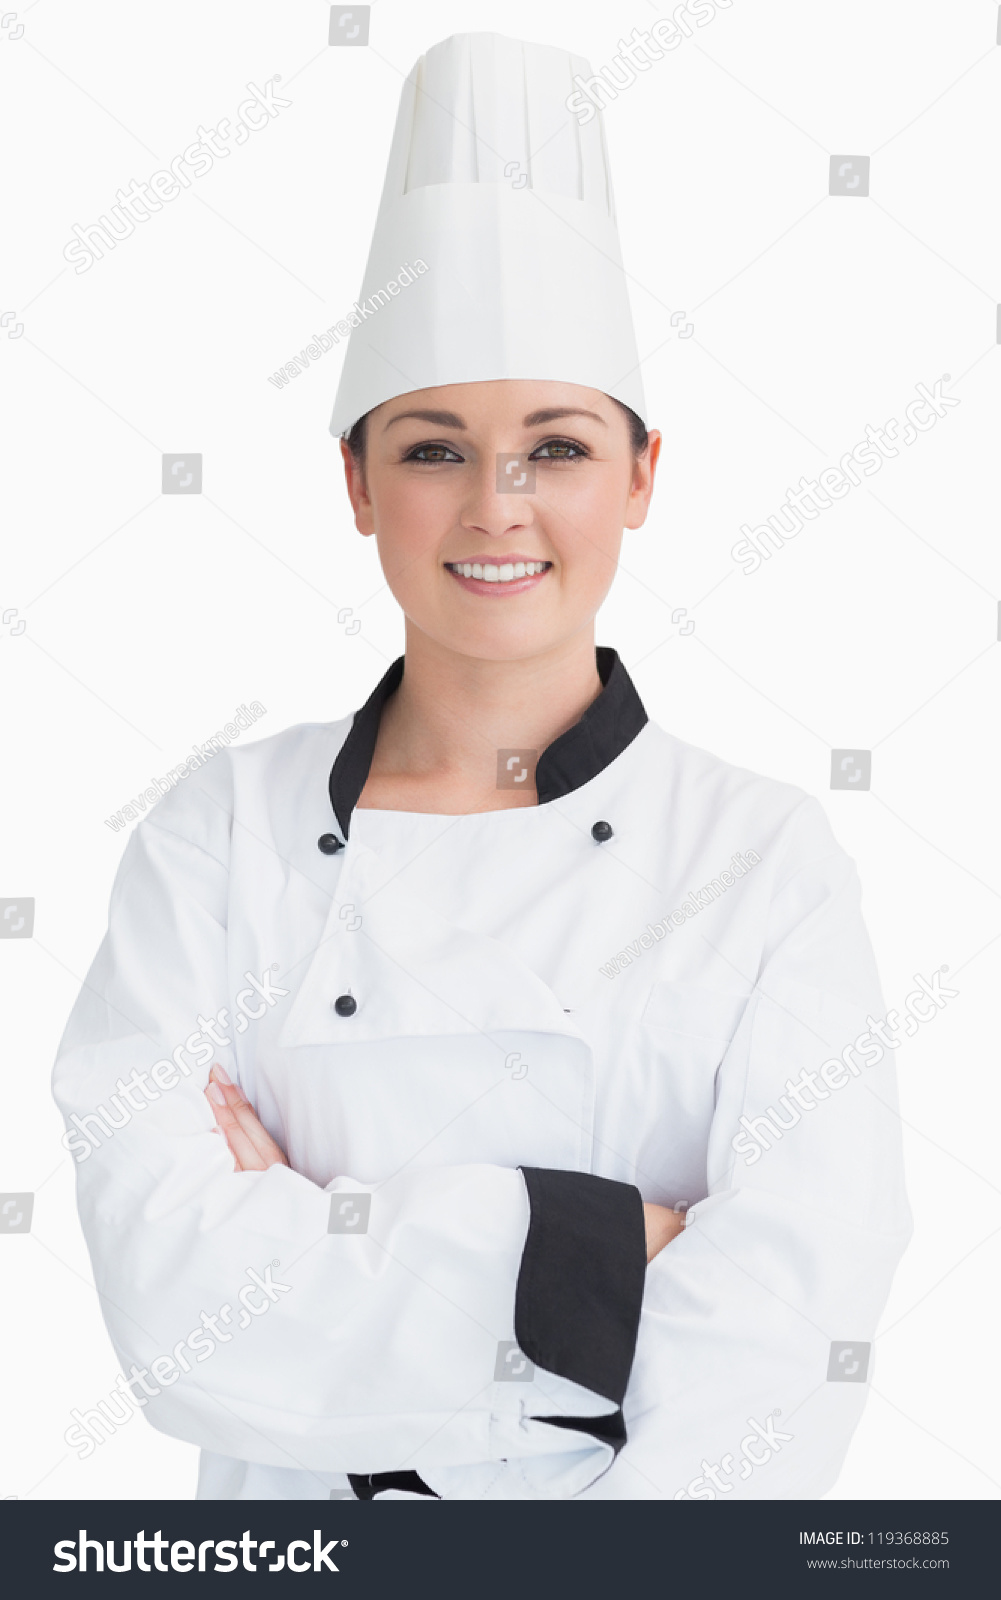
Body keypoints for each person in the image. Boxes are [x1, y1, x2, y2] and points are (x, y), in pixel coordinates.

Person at [53, 31, 911, 1502]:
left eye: (558, 448)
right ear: (356, 482)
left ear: (641, 478)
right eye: (435, 447)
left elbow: (786, 1345)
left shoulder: (757, 859)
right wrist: (605, 1247)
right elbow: (180, 1321)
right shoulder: (214, 839)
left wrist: (332, 1242)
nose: (496, 508)